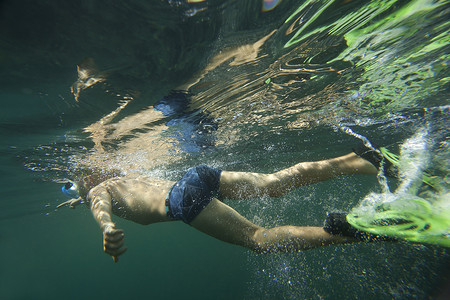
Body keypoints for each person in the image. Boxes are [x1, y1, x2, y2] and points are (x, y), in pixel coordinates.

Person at [59, 146, 394, 262]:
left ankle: (349, 231)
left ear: (86, 180)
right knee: (273, 184)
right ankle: (362, 159)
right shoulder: (121, 179)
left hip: (182, 200)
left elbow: (99, 205)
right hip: (194, 178)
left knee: (258, 239)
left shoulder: (97, 191)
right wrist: (82, 198)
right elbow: (102, 196)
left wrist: (106, 228)